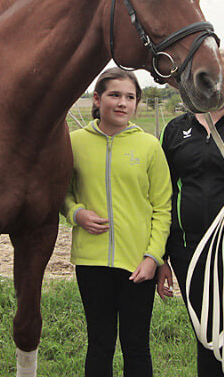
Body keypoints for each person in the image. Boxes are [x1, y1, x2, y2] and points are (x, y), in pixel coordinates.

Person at [156, 49, 224, 377]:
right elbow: (163, 195)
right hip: (189, 252)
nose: (215, 83)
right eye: (208, 76)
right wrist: (163, 256)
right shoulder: (176, 129)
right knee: (206, 339)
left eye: (223, 77)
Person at [62, 68, 171, 377]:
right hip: (91, 261)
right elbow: (62, 193)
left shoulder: (149, 146)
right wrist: (76, 213)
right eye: (114, 95)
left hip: (138, 264)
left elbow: (163, 208)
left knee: (136, 344)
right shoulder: (74, 143)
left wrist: (153, 257)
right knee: (99, 342)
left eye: (130, 97)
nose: (123, 103)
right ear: (97, 100)